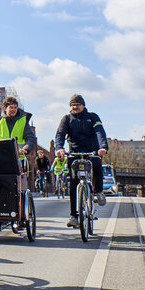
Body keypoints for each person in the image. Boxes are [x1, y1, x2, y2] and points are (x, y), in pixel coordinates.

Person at [54, 94, 108, 228]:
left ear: (83, 105)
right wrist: (59, 148)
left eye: (78, 104)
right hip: (75, 152)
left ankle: (99, 191)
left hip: (92, 151)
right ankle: (74, 216)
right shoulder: (66, 119)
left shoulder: (92, 117)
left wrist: (103, 147)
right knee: (73, 183)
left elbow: (99, 131)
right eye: (73, 105)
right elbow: (60, 134)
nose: (75, 107)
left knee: (97, 164)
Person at [0, 96, 37, 173]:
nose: (13, 110)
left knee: (17, 183)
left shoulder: (23, 122)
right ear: (5, 108)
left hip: (17, 159)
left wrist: (26, 149)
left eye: (15, 107)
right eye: (11, 107)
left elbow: (31, 138)